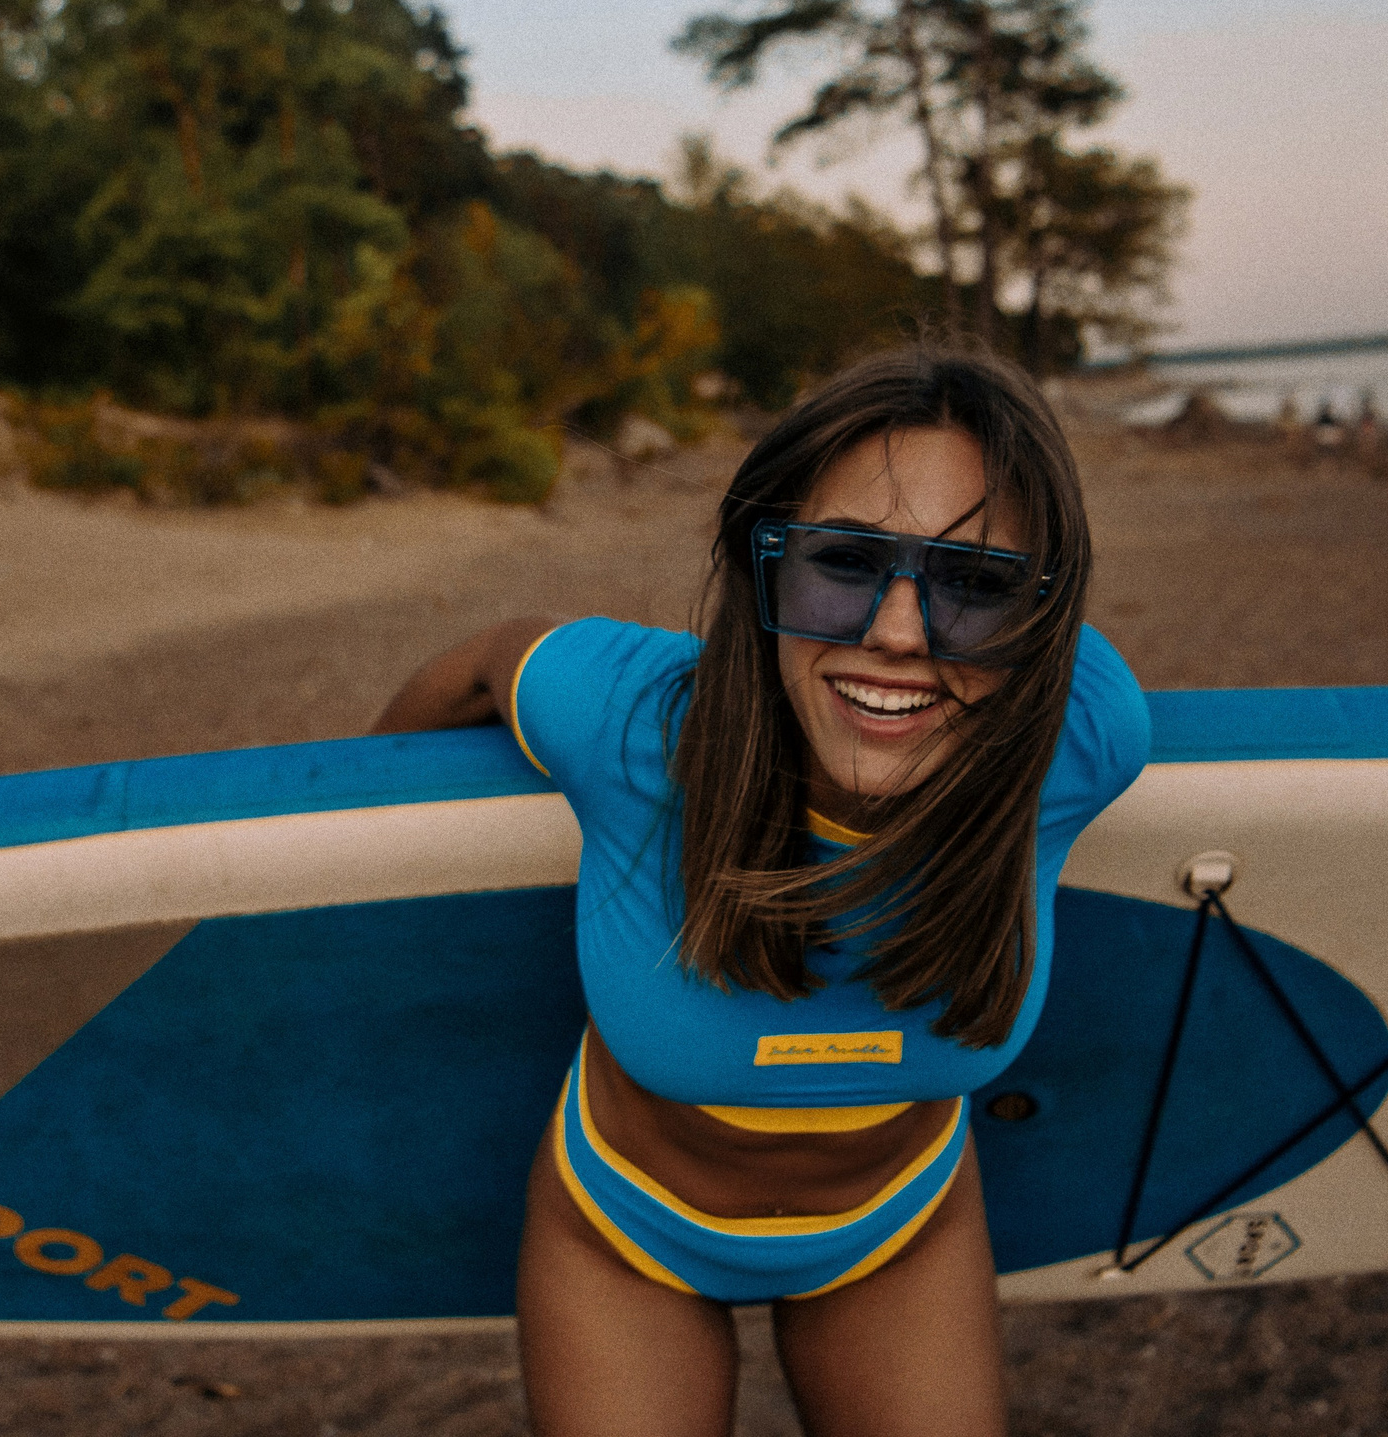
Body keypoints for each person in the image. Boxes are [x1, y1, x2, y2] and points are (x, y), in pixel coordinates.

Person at [373, 348, 1150, 1437]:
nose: (897, 632)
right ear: (759, 567)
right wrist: (363, 842)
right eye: (842, 562)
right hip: (624, 1235)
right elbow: (481, 661)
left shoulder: (1079, 740)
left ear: (1041, 616)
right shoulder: (632, 716)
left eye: (974, 583)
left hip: (897, 1233)